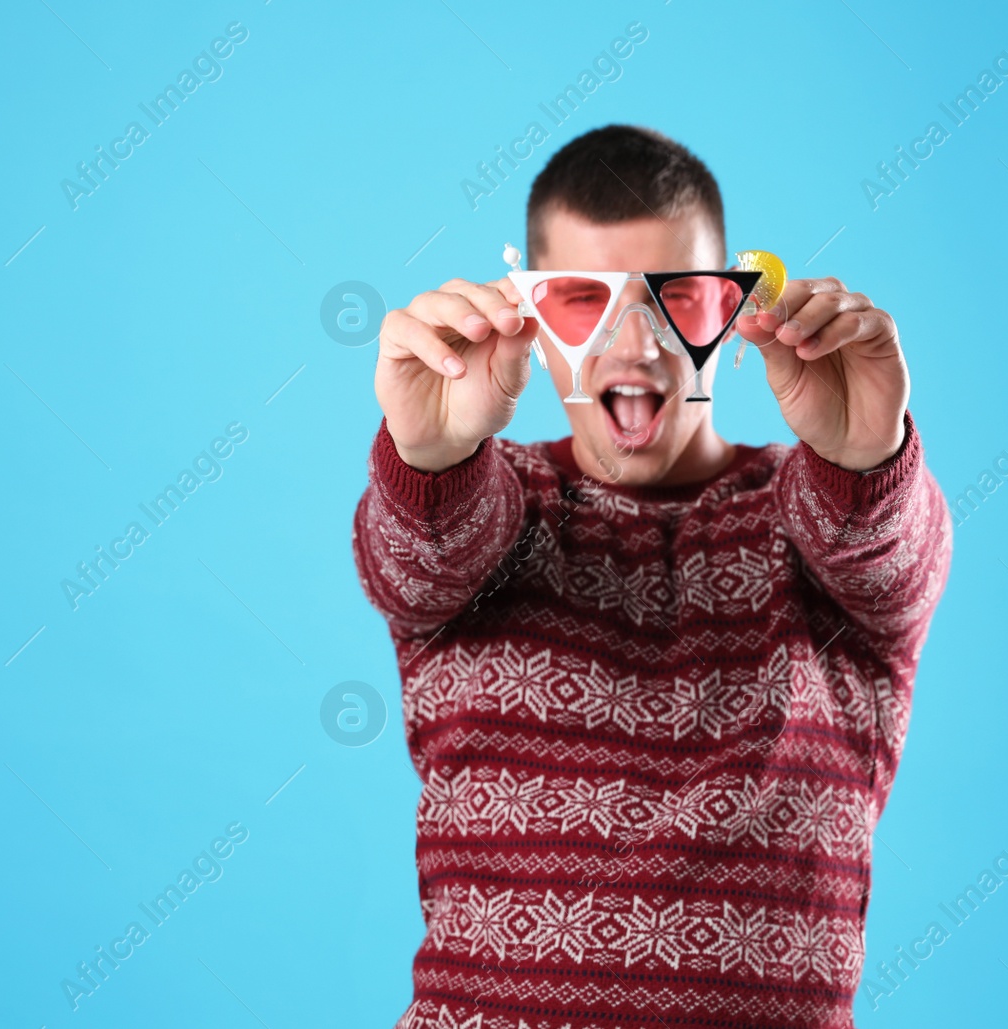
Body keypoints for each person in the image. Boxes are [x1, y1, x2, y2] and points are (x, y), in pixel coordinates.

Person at [352, 124, 952, 1029]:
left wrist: (867, 456)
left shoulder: (818, 520)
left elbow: (894, 560)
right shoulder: (493, 506)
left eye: (676, 301)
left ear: (729, 311)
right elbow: (417, 563)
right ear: (527, 319)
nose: (633, 347)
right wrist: (427, 457)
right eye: (581, 300)